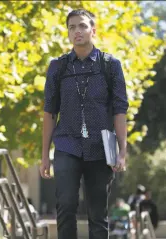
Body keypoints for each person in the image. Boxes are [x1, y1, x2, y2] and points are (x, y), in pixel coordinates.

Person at [40, 9, 129, 239]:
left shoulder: (111, 66)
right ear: (68, 33)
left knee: (98, 213)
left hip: (101, 148)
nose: (77, 31)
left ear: (93, 30)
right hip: (66, 145)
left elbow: (120, 111)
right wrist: (44, 156)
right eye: (72, 27)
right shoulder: (57, 67)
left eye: (82, 26)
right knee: (66, 205)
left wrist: (122, 152)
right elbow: (49, 112)